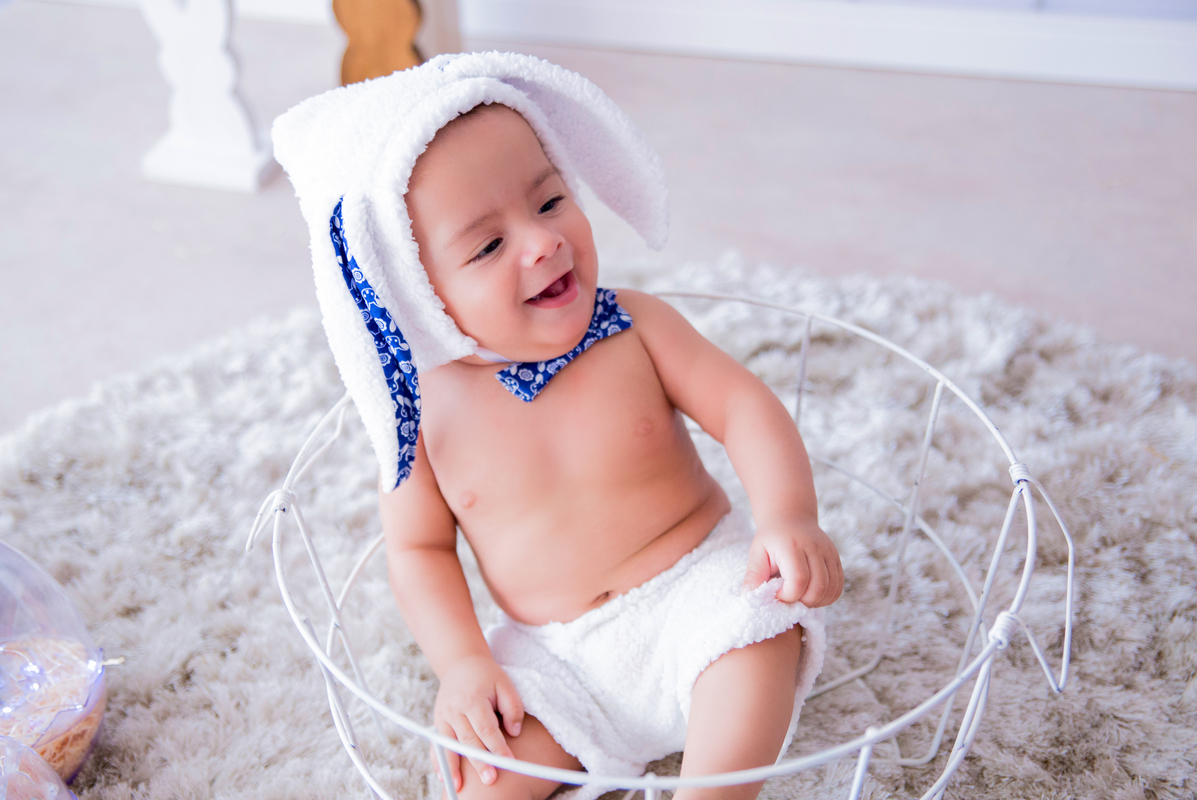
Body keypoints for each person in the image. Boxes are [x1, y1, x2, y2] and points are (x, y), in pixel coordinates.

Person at [272, 52, 842, 800]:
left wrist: (788, 515)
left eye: (549, 202)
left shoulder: (632, 327)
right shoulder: (416, 415)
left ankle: (713, 791)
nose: (543, 243)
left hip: (695, 588)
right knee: (483, 772)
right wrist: (465, 665)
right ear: (415, 293)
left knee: (760, 628)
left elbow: (744, 406)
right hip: (557, 655)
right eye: (488, 245)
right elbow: (417, 548)